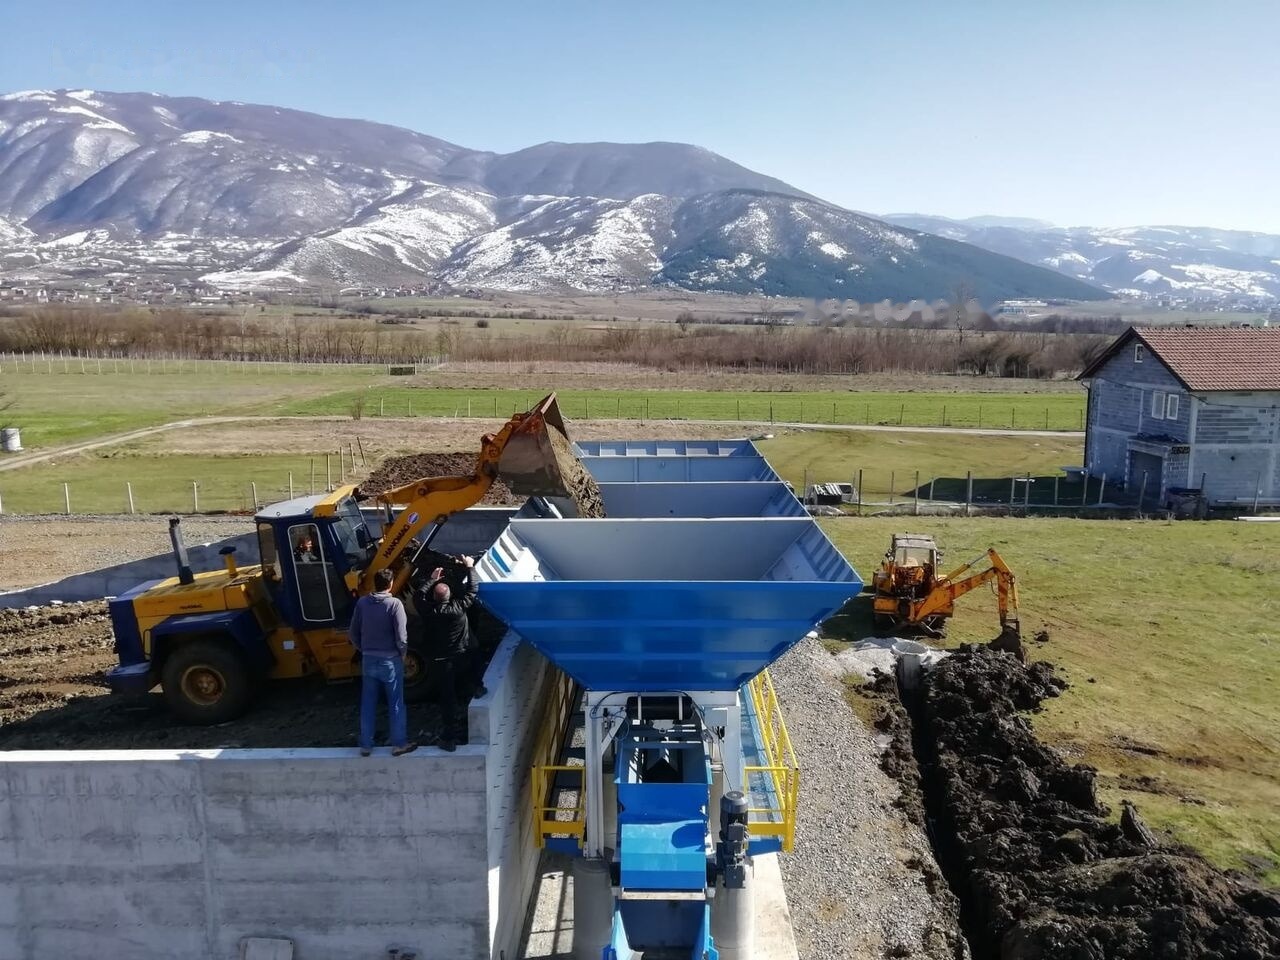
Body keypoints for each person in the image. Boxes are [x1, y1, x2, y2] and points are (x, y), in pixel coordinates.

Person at [349, 568, 417, 757]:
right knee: (395, 702)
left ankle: (366, 745)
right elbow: (401, 636)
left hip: (368, 660)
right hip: (390, 661)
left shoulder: (362, 603)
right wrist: (402, 654)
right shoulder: (394, 604)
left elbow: (353, 632)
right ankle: (399, 743)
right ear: (391, 584)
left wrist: (364, 649)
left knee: (368, 702)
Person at [418, 555, 480, 752]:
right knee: (471, 668)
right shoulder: (458, 609)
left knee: (448, 698)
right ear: (449, 596)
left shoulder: (428, 611)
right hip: (460, 656)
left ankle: (449, 737)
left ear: (434, 598)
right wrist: (470, 567)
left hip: (441, 661)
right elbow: (472, 590)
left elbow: (418, 596)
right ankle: (477, 687)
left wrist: (432, 579)